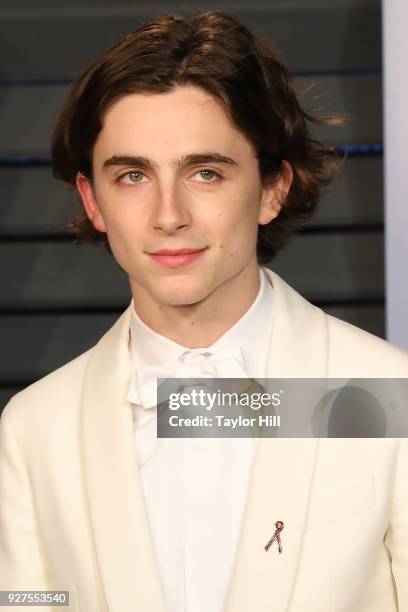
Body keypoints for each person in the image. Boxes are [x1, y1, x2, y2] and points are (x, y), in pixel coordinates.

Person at [1, 10, 407, 612]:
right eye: (134, 175)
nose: (169, 216)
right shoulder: (34, 427)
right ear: (93, 199)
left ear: (272, 188)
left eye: (206, 172)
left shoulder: (390, 394)